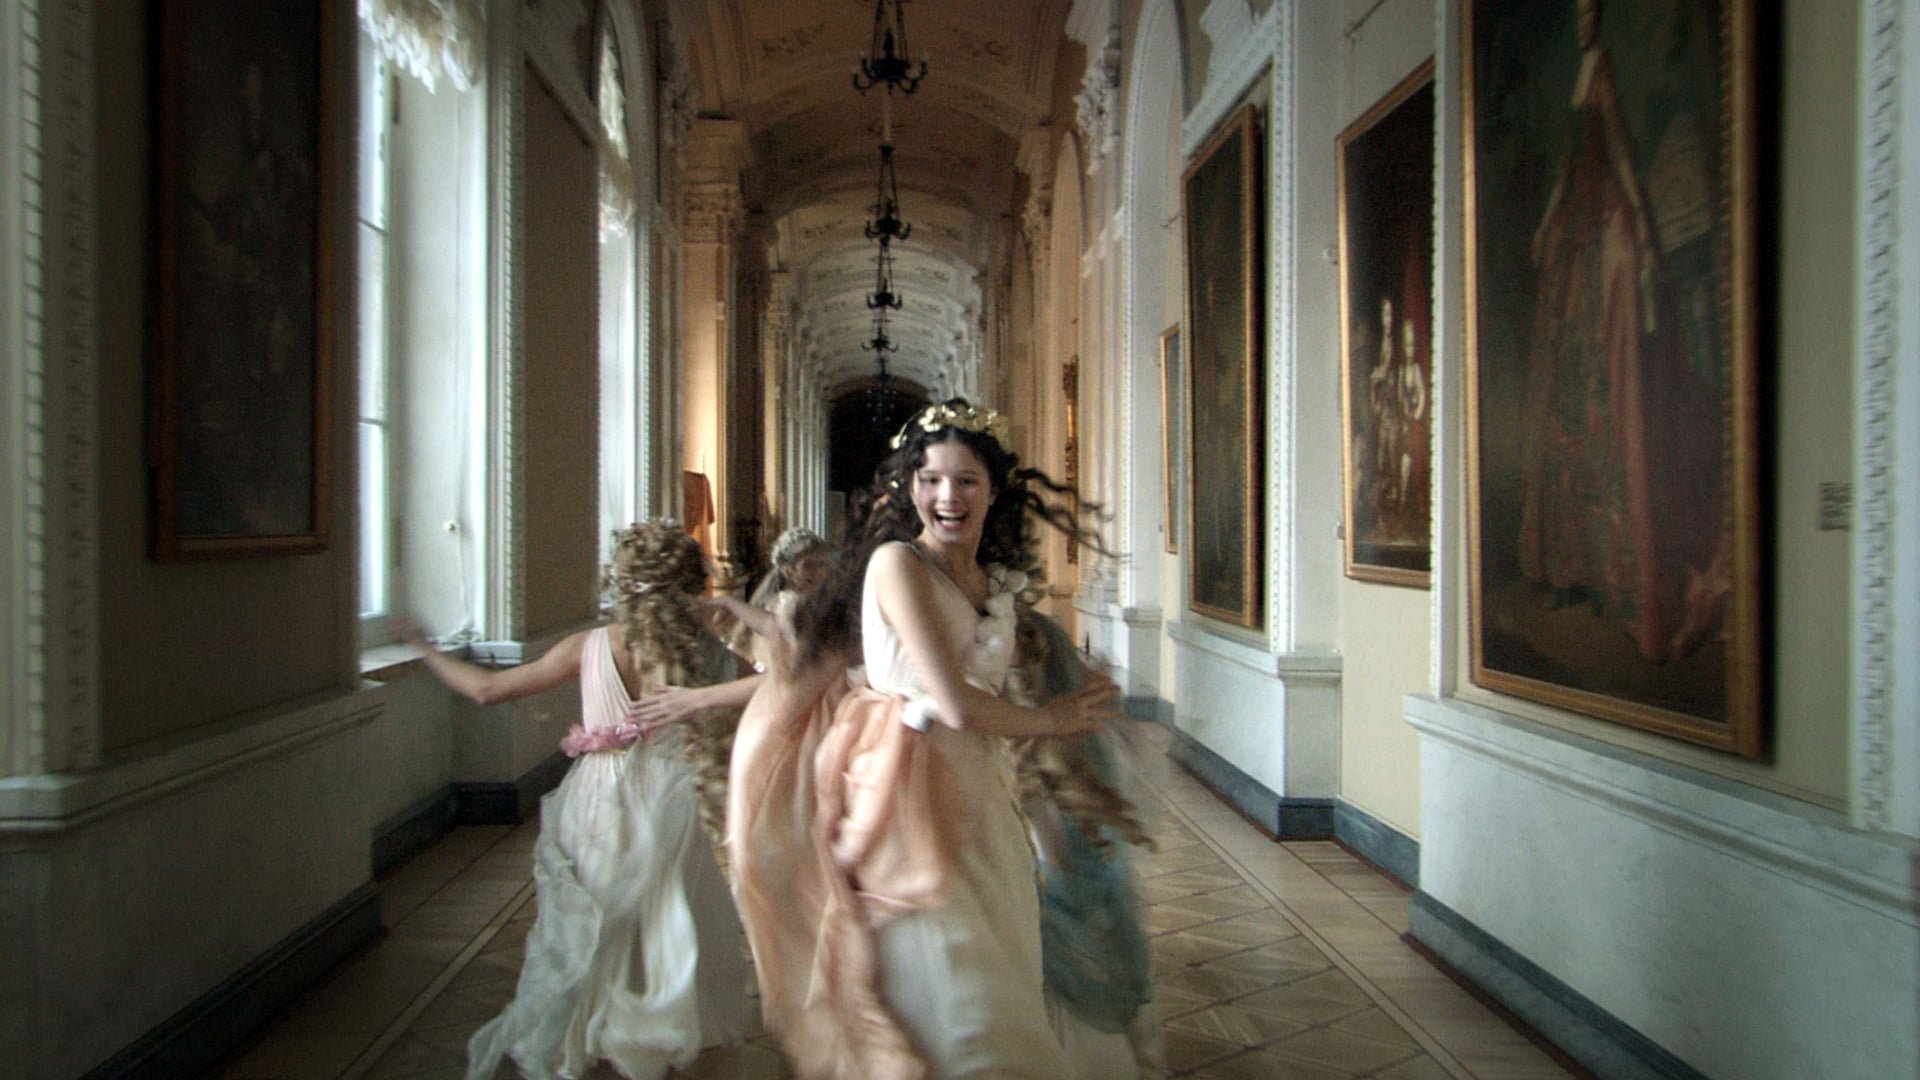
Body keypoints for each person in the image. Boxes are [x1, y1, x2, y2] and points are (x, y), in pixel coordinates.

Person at [727, 399, 1144, 1079]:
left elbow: (992, 680)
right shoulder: (897, 564)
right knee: (952, 977)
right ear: (908, 487)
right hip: (905, 791)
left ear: (994, 489)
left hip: (982, 784)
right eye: (930, 480)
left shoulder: (992, 578)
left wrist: (1077, 702)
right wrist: (1056, 720)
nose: (946, 497)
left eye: (965, 481)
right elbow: (952, 701)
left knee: (999, 948)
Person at [402, 520, 747, 1080]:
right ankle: (663, 1031)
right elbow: (775, 688)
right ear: (692, 582)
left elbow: (487, 691)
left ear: (618, 579)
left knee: (593, 923)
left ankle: (597, 1034)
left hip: (601, 799)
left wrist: (423, 649)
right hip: (678, 798)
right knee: (671, 917)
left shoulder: (589, 647)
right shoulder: (709, 650)